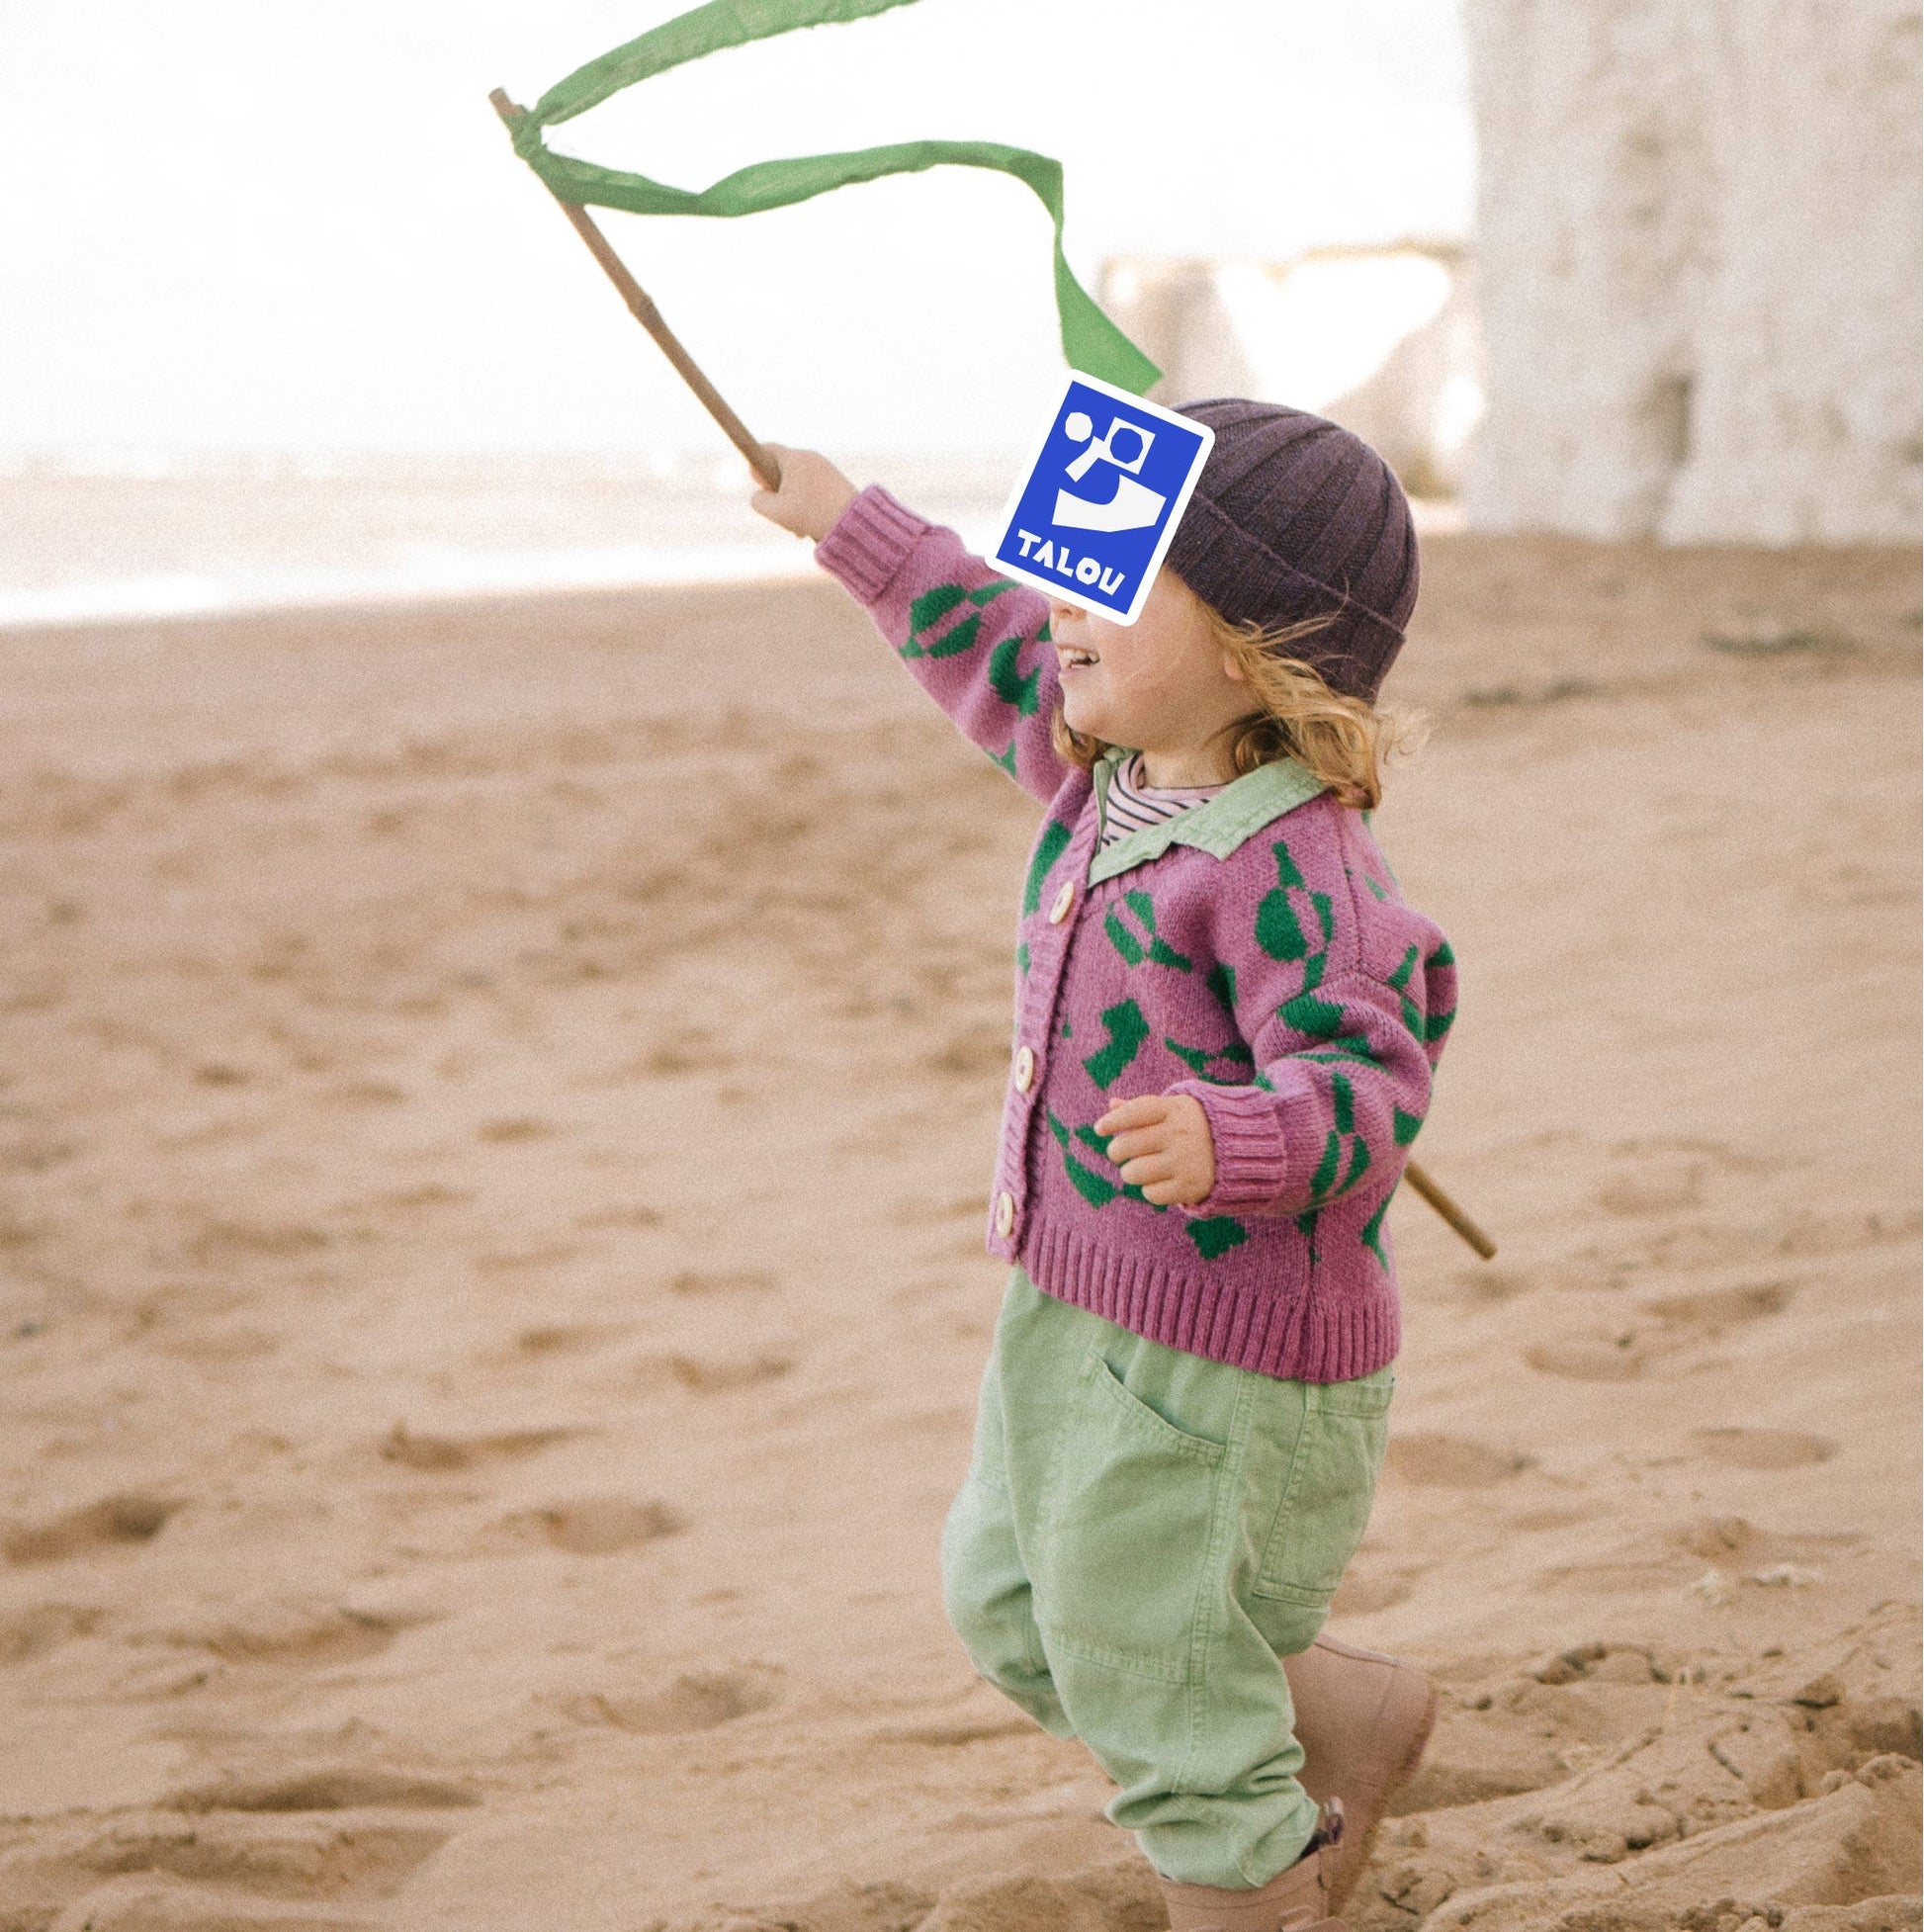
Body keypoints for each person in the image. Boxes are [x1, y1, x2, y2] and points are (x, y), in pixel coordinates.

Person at [750, 400, 1454, 1932]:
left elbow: (1368, 1078)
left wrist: (1238, 1131)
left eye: (1114, 579)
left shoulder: (1296, 868)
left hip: (1219, 1343)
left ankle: (1253, 1886)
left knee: (1157, 1680)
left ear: (1254, 645)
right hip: (1075, 1294)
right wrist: (842, 522)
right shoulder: (1106, 769)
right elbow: (988, 640)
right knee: (1015, 1608)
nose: (1063, 601)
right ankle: (1337, 1712)